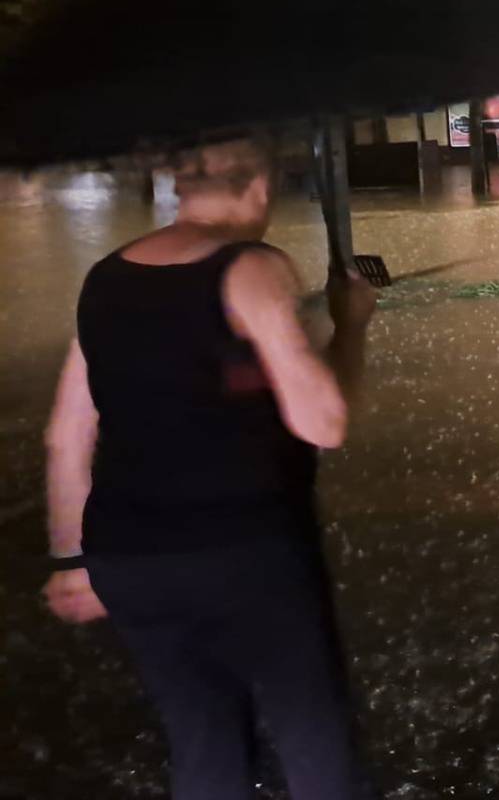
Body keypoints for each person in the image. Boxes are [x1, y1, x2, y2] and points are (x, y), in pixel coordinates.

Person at [40, 136, 377, 799]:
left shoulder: (105, 277)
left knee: (203, 744)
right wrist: (351, 328)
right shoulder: (252, 267)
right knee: (315, 740)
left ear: (181, 187)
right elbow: (323, 423)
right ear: (259, 189)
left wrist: (70, 562)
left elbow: (67, 432)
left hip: (129, 555)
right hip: (246, 552)